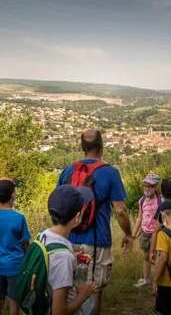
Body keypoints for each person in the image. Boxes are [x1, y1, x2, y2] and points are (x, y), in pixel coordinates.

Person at [57, 129, 133, 314]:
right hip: (97, 242)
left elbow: (58, 204)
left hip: (68, 240)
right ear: (101, 146)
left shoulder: (68, 170)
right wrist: (128, 234)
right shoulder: (110, 172)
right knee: (94, 289)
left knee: (70, 289)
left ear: (82, 147)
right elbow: (120, 210)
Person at [41, 185, 96, 315]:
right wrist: (83, 295)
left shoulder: (44, 235)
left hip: (46, 302)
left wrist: (73, 257)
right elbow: (59, 312)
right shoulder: (63, 257)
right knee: (91, 304)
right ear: (77, 217)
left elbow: (50, 262)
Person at [0, 178, 31, 315]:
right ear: (13, 195)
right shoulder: (19, 218)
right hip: (15, 267)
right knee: (14, 301)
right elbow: (26, 244)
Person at [132, 173, 161, 288]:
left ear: (156, 187)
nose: (147, 188)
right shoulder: (142, 200)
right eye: (145, 186)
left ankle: (157, 281)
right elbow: (140, 217)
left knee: (156, 257)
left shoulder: (160, 201)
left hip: (157, 233)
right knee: (146, 256)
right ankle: (146, 278)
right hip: (145, 232)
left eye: (150, 186)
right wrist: (134, 232)